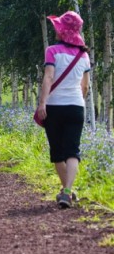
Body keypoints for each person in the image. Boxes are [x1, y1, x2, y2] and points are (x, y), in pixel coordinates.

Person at [35, 11, 91, 209]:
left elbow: (48, 78)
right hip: (76, 106)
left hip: (54, 107)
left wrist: (42, 103)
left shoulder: (52, 50)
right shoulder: (84, 55)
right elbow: (85, 87)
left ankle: (66, 191)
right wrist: (77, 102)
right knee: (72, 151)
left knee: (58, 152)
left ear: (62, 31)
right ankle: (67, 191)